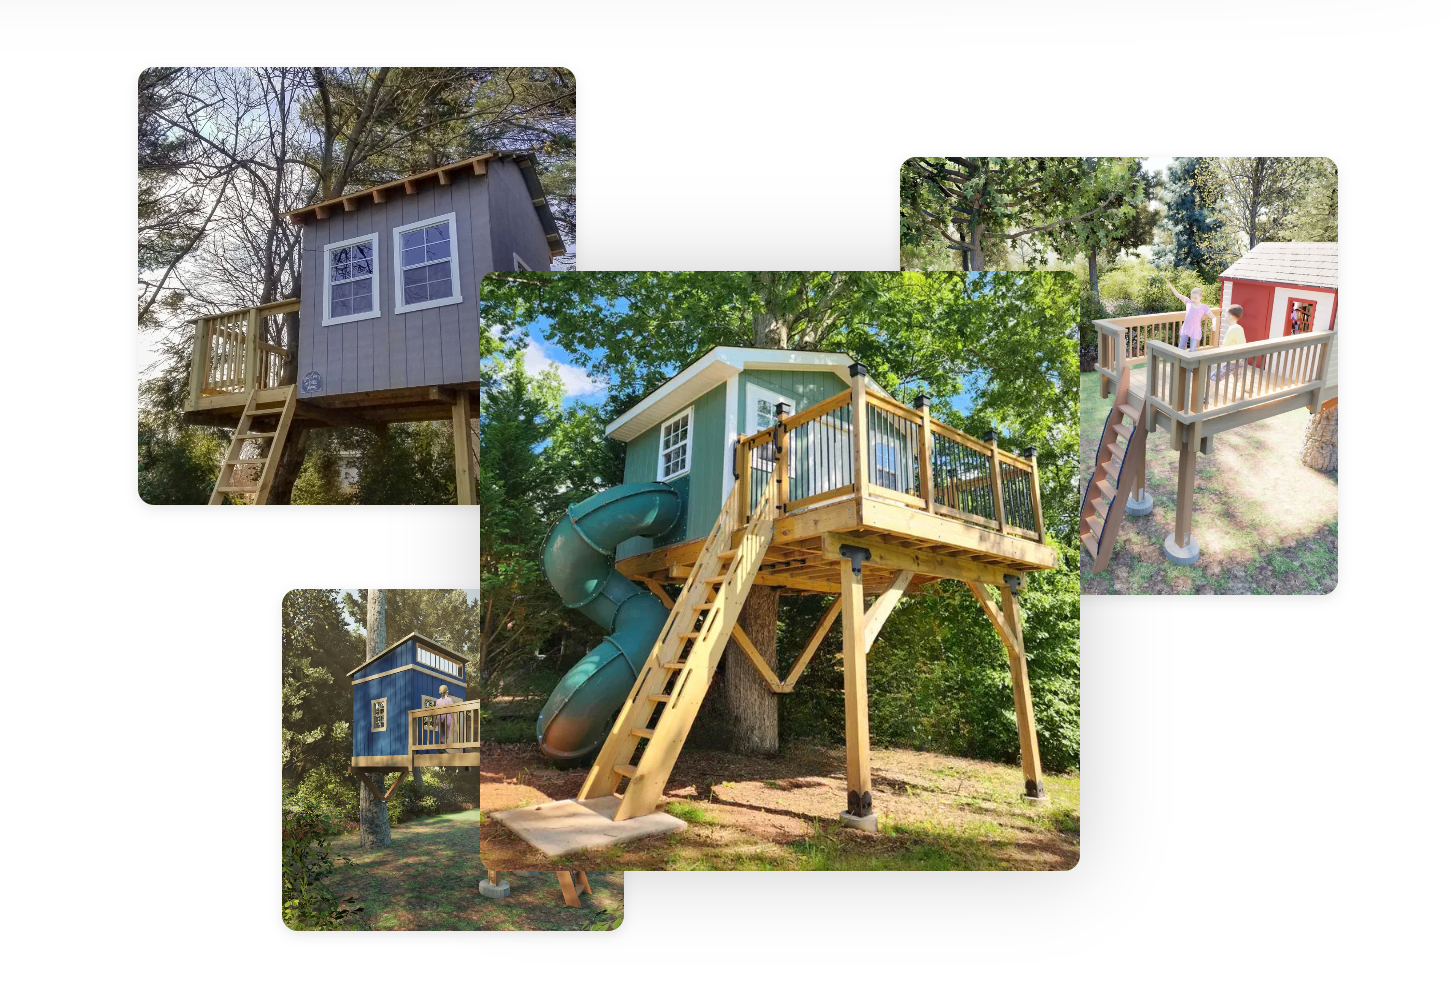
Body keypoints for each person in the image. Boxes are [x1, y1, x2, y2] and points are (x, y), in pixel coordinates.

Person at [1165, 279, 1217, 351]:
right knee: (1181, 346)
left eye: (1195, 298)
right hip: (1186, 327)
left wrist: (1214, 324)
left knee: (1192, 350)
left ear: (1200, 297)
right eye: (1192, 297)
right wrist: (1171, 286)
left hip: (1195, 329)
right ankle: (1179, 361)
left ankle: (1190, 362)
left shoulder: (1204, 307)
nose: (1193, 299)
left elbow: (1213, 317)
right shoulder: (1188, 302)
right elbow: (1177, 295)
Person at [1209, 305, 1246, 383]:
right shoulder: (1239, 327)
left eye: (1226, 314)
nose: (1225, 315)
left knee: (1214, 377)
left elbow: (1224, 345)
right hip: (1240, 358)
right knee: (1239, 377)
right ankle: (1247, 389)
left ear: (1230, 316)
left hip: (1232, 360)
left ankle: (1206, 395)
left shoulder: (1232, 329)